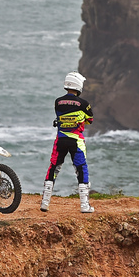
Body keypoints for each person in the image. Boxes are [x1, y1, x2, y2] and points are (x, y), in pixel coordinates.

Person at [40, 71, 95, 213]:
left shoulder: (57, 102)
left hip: (60, 140)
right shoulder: (84, 104)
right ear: (79, 85)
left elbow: (59, 115)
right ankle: (84, 206)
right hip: (76, 141)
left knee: (53, 168)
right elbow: (90, 120)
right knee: (81, 169)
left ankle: (45, 203)